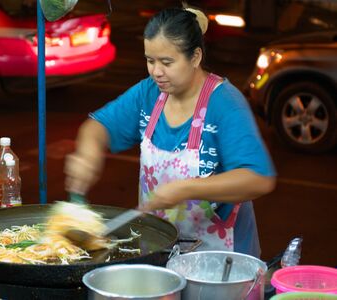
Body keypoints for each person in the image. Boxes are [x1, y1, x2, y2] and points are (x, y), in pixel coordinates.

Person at [64, 1, 276, 257]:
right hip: (160, 251)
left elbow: (258, 178)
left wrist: (187, 188)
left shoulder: (225, 103)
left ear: (195, 57)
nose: (156, 72)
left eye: (167, 62)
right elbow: (98, 126)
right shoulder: (148, 94)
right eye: (150, 61)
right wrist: (87, 154)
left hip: (220, 263)